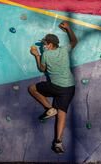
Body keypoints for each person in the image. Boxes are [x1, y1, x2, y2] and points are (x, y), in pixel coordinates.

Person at [28, 21, 78, 154]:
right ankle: (58, 142)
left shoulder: (46, 55)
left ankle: (50, 108)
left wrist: (37, 56)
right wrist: (68, 29)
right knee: (62, 115)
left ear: (50, 45)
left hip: (55, 86)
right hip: (69, 87)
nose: (43, 46)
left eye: (44, 44)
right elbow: (74, 41)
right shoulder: (64, 50)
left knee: (32, 88)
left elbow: (41, 68)